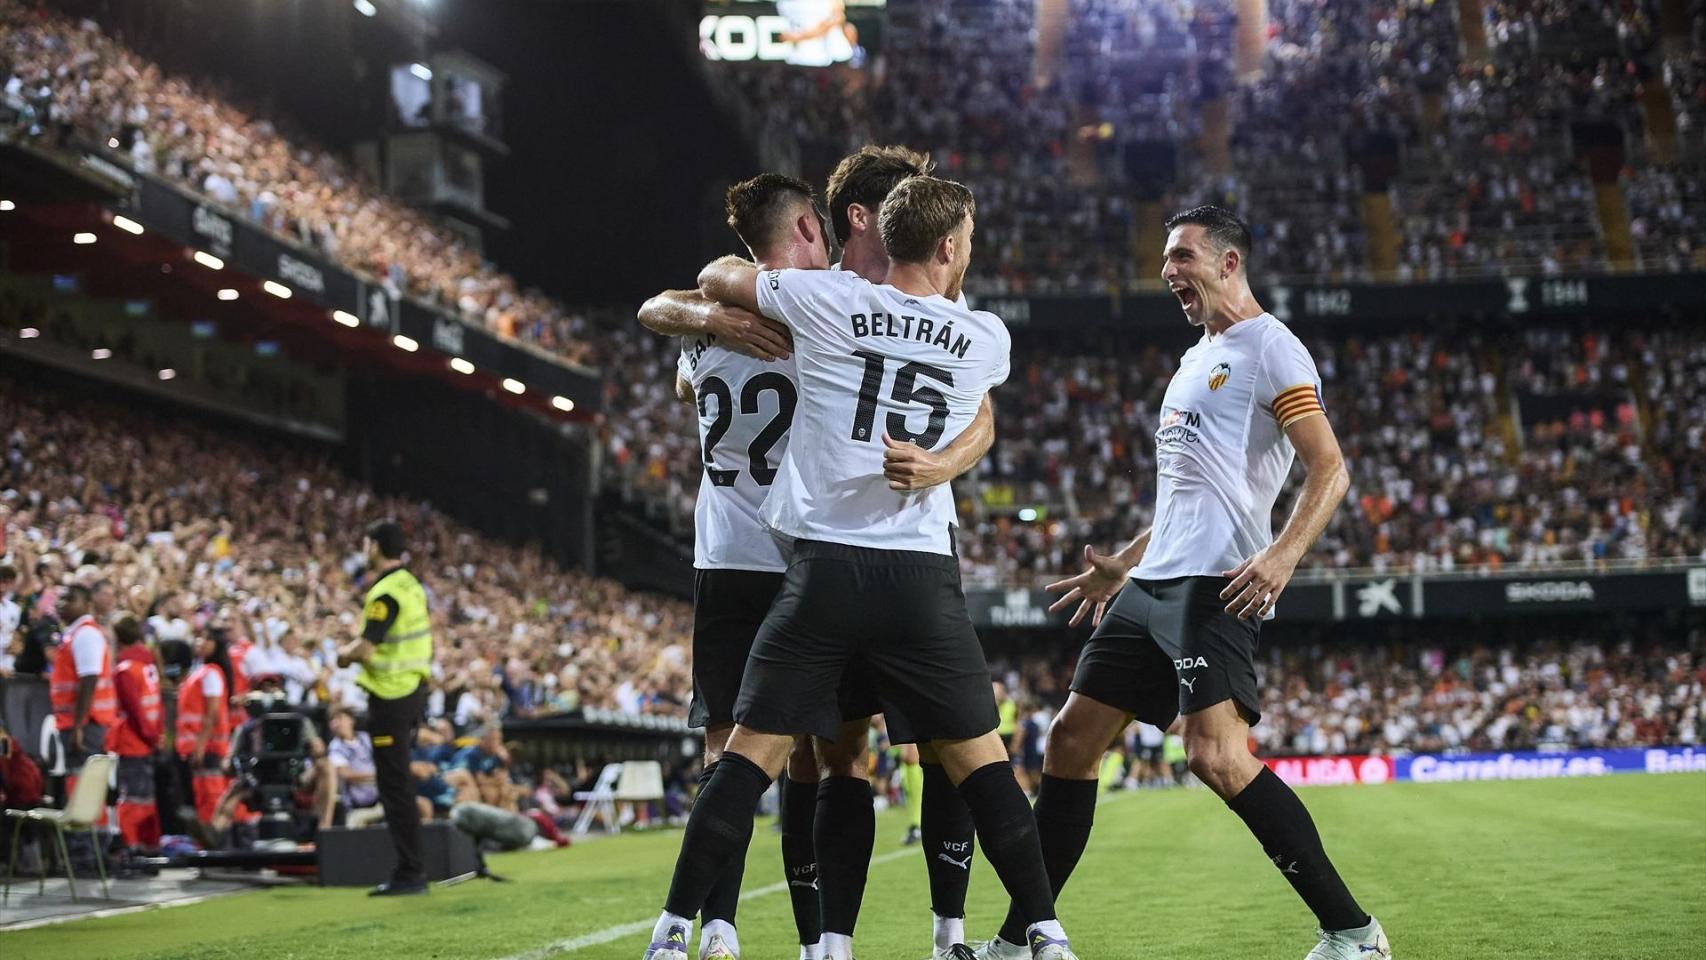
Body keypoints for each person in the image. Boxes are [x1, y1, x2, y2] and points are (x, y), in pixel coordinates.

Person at [643, 175, 1076, 960]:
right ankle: (1037, 933)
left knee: (742, 756)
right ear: (947, 247)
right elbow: (981, 408)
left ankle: (689, 929)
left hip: (802, 564)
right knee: (971, 756)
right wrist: (941, 461)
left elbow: (704, 287)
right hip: (912, 569)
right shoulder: (982, 335)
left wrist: (703, 315)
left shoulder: (819, 306)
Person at [974, 206, 1387, 960]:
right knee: (1068, 742)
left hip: (1213, 583)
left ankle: (1354, 932)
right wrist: (1125, 563)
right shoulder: (1196, 358)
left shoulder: (1271, 348)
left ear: (1229, 262)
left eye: (1182, 256)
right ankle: (1019, 940)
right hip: (1153, 581)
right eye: (1166, 259)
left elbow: (1331, 468)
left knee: (1216, 758)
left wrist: (1285, 554)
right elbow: (1184, 494)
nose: (1168, 272)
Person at [337, 519, 434, 897]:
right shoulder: (411, 584)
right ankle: (412, 868)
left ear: (374, 546)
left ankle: (411, 872)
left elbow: (365, 649)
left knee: (394, 785)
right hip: (411, 690)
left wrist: (342, 656)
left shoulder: (385, 593)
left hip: (391, 697)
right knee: (399, 782)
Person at [49, 584, 116, 784]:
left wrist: (78, 727)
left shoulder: (86, 634)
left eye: (69, 599)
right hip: (79, 723)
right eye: (60, 599)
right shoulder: (74, 633)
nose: (61, 604)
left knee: (84, 786)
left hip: (86, 725)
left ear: (87, 604)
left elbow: (89, 680)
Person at [110, 615, 164, 849]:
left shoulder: (124, 669)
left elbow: (134, 711)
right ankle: (150, 844)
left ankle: (131, 847)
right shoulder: (149, 666)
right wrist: (158, 735)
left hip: (133, 742)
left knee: (131, 798)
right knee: (147, 798)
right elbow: (157, 704)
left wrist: (149, 736)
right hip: (150, 741)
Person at [176, 630, 234, 825]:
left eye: (208, 638)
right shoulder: (201, 671)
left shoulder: (211, 673)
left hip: (209, 748)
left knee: (211, 797)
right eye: (199, 637)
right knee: (202, 797)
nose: (201, 642)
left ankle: (214, 842)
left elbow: (211, 715)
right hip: (200, 747)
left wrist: (200, 746)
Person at [327, 706, 380, 821]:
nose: (336, 723)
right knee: (355, 821)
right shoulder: (335, 747)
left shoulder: (365, 738)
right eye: (332, 720)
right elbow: (346, 775)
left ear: (351, 720)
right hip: (356, 807)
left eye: (339, 718)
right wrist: (377, 775)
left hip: (381, 800)